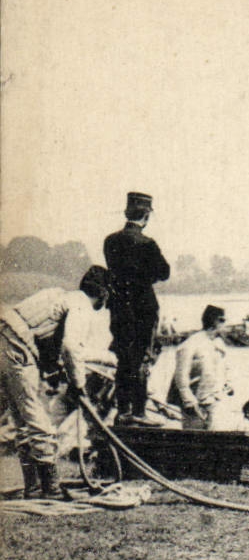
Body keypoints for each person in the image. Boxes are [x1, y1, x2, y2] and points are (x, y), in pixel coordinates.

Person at [0, 267, 110, 498]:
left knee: (22, 421)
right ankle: (50, 488)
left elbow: (41, 333)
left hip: (5, 341)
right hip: (17, 349)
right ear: (103, 293)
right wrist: (79, 384)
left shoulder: (58, 294)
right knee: (38, 419)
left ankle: (34, 486)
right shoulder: (82, 306)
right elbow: (71, 347)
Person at [103, 191, 170, 424]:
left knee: (123, 358)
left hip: (119, 308)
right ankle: (139, 413)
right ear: (147, 216)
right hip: (143, 309)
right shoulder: (147, 244)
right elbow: (164, 272)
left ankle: (123, 411)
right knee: (142, 358)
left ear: (126, 213)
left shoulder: (110, 241)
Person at [168, 304, 235, 429]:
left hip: (215, 402)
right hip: (195, 405)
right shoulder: (191, 344)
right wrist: (189, 401)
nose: (226, 325)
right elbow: (181, 376)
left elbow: (225, 367)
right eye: (224, 321)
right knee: (196, 441)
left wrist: (228, 384)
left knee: (216, 440)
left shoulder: (219, 344)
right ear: (216, 321)